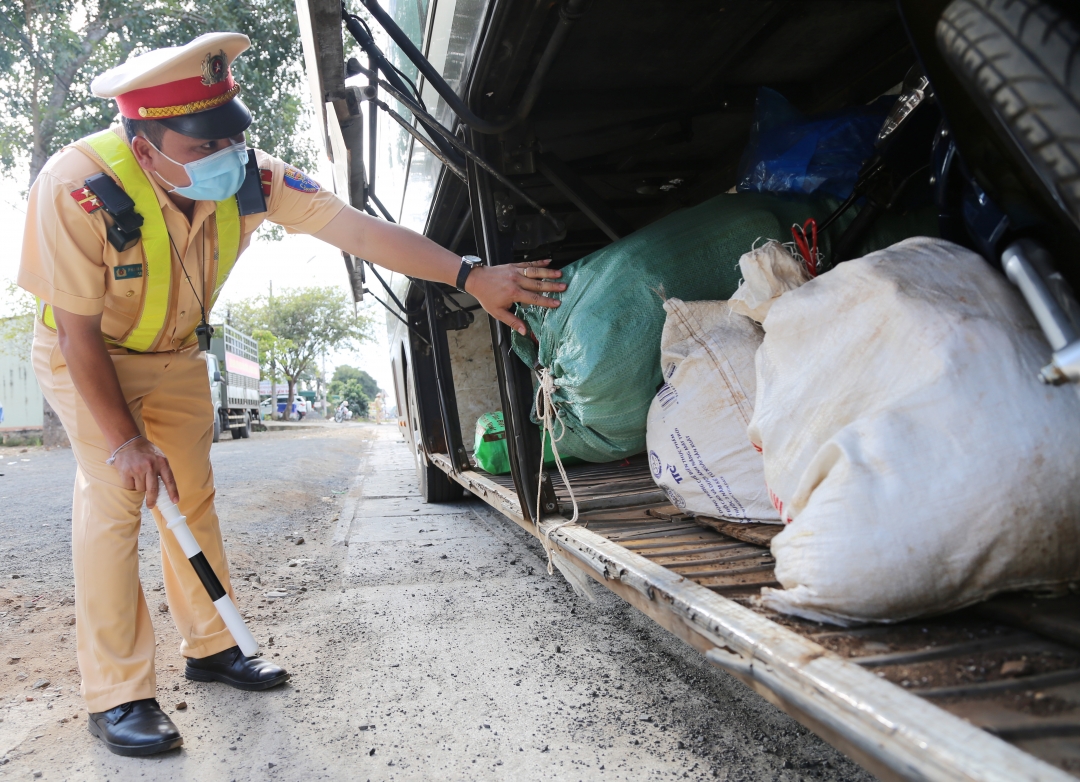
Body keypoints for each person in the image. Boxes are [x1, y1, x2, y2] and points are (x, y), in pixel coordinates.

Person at [17, 32, 565, 757]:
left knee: (191, 497)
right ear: (144, 145)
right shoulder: (76, 187)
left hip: (176, 357)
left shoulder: (250, 176)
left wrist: (467, 273)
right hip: (88, 359)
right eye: (198, 145)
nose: (224, 156)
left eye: (228, 136)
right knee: (119, 502)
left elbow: (358, 230)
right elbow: (76, 337)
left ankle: (213, 648)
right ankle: (118, 694)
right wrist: (124, 441)